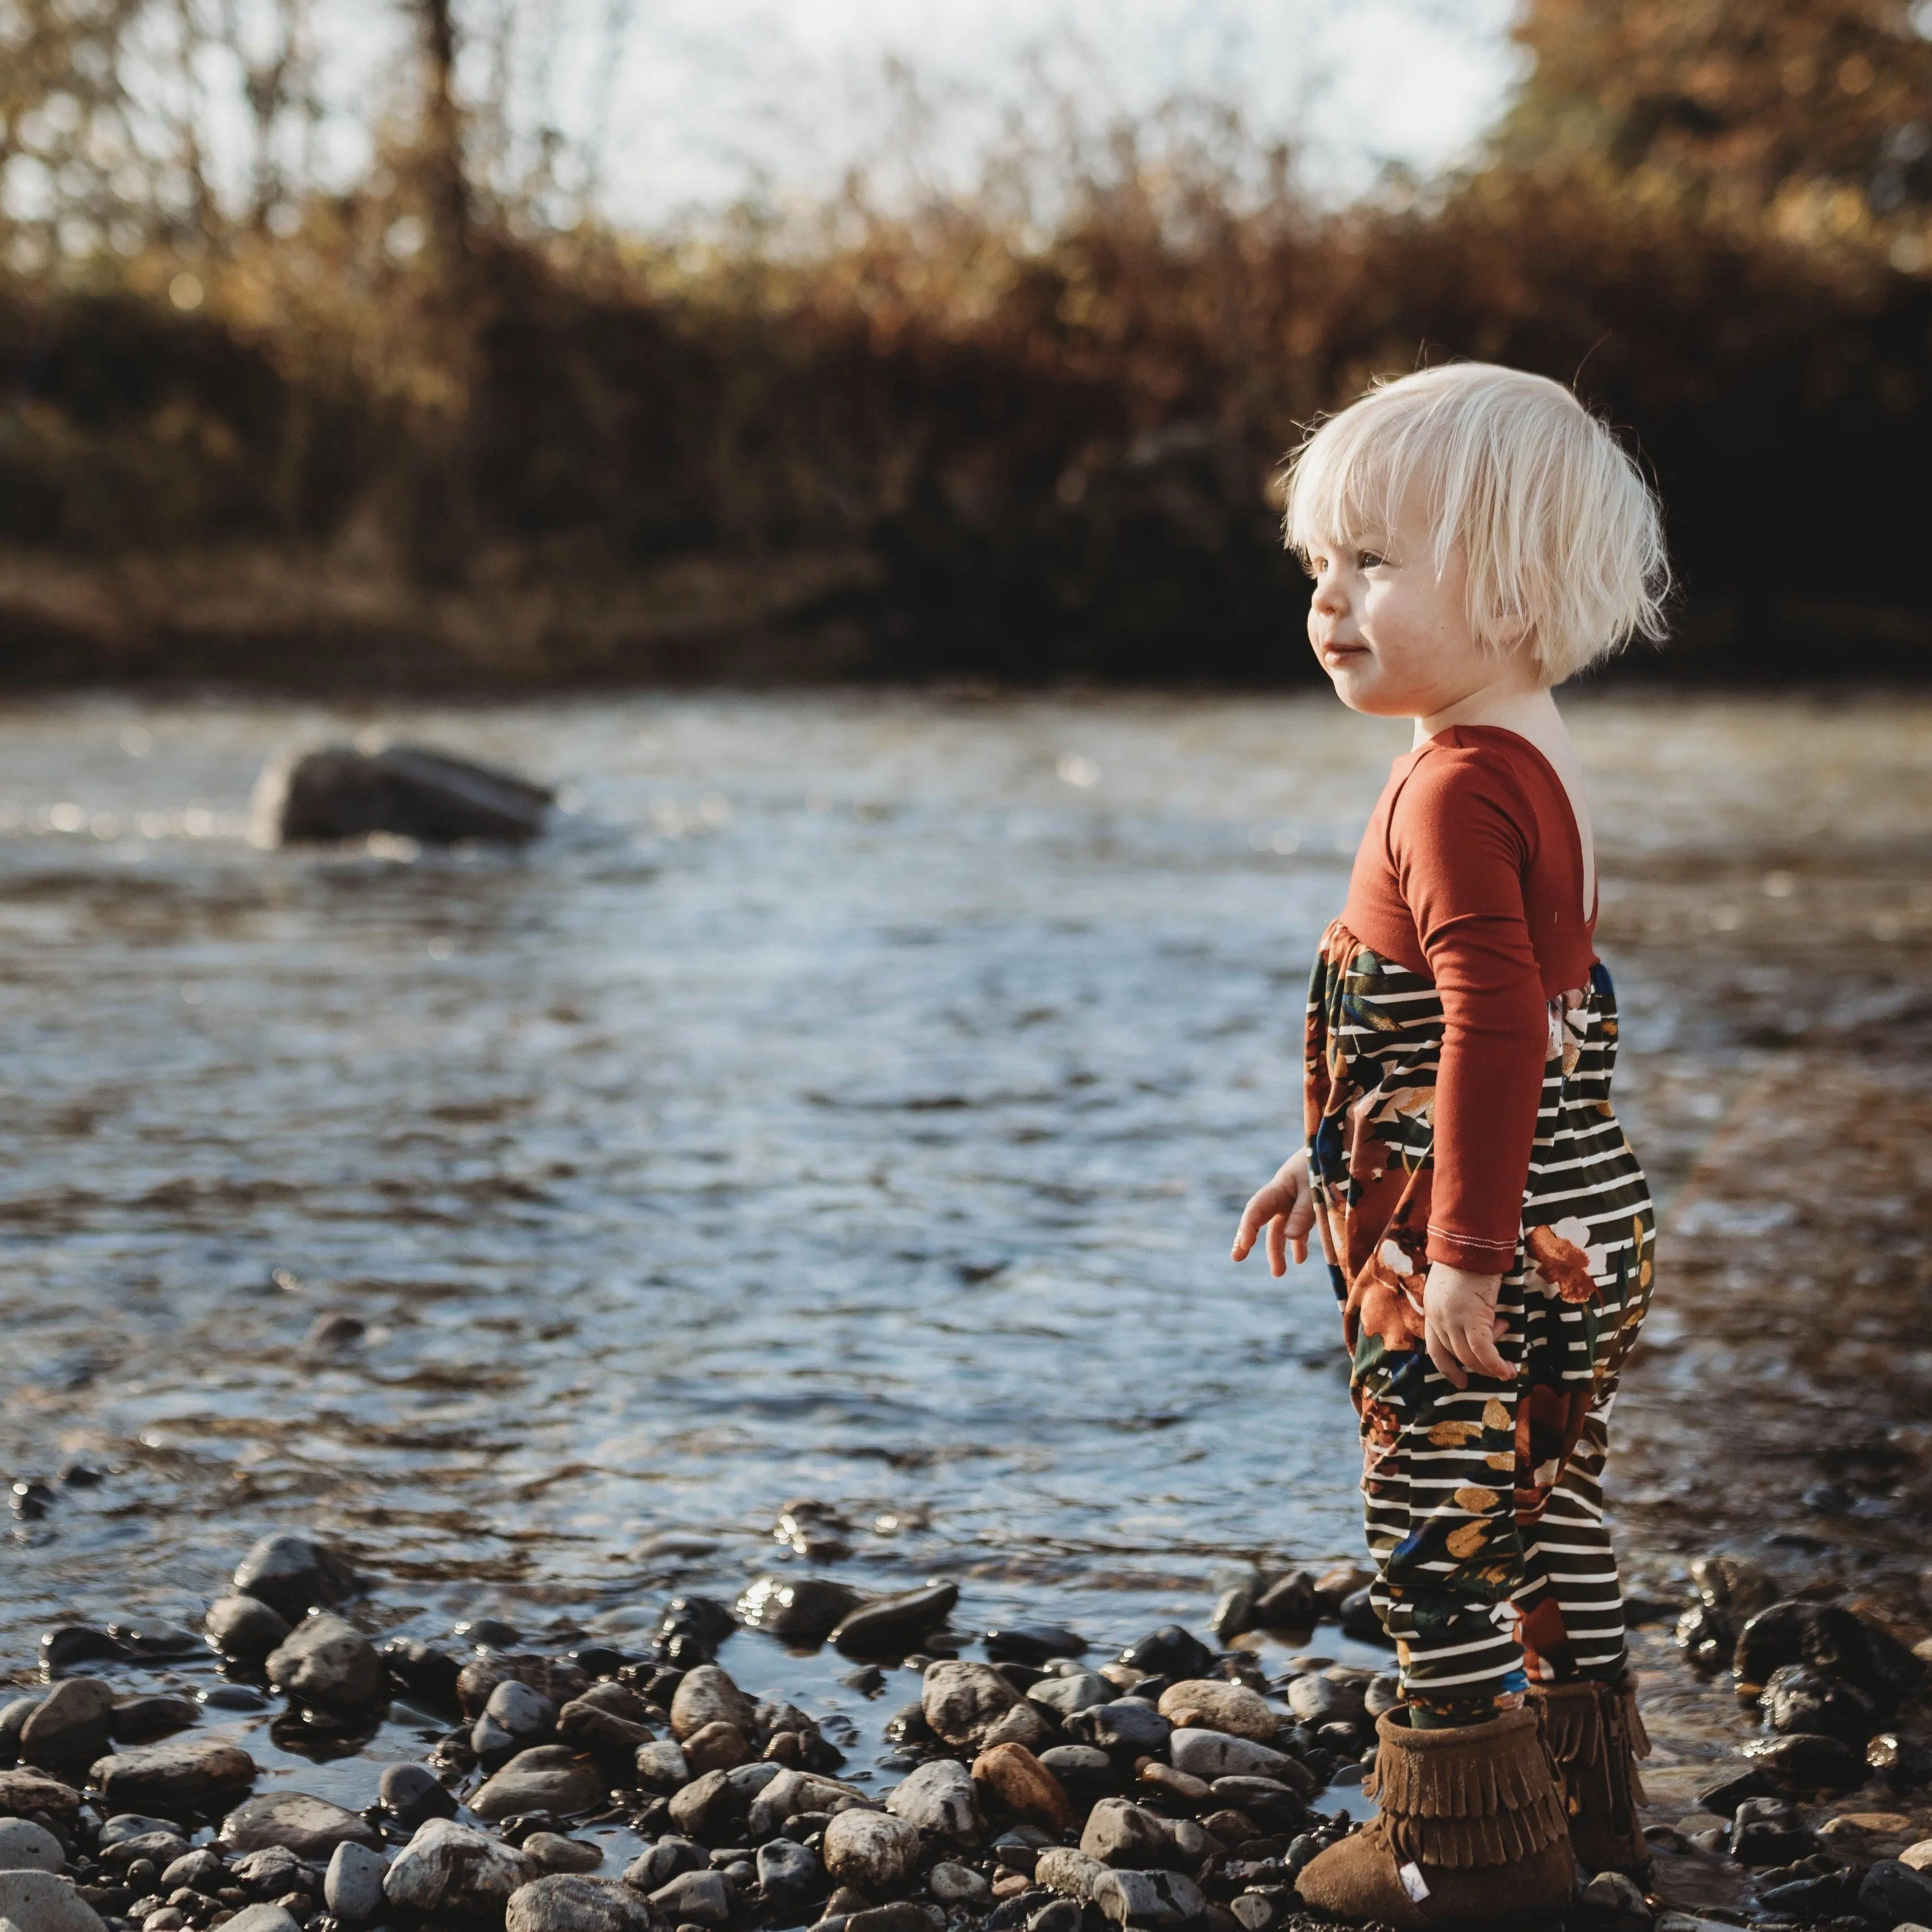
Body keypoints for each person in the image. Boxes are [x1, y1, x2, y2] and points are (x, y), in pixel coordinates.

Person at [1231, 362, 1666, 1927]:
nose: (1331, 604)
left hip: (1490, 1241)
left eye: (1373, 564)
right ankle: (1590, 1797)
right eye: (1317, 569)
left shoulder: (1452, 791)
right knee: (1546, 1496)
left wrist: (1464, 1255)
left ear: (1515, 589)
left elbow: (1489, 1026)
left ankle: (1466, 1857)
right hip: (1580, 1212)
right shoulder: (1526, 754)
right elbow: (1547, 1023)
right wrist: (1330, 1160)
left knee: (1431, 1519)